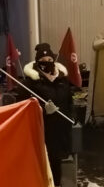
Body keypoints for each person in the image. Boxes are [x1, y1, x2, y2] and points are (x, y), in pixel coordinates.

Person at [16, 43, 72, 187]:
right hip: (42, 132)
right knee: (43, 163)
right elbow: (22, 106)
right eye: (43, 60)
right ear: (37, 63)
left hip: (61, 131)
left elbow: (70, 102)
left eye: (49, 60)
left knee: (56, 162)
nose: (46, 63)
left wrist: (72, 118)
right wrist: (42, 109)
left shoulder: (62, 80)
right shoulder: (30, 83)